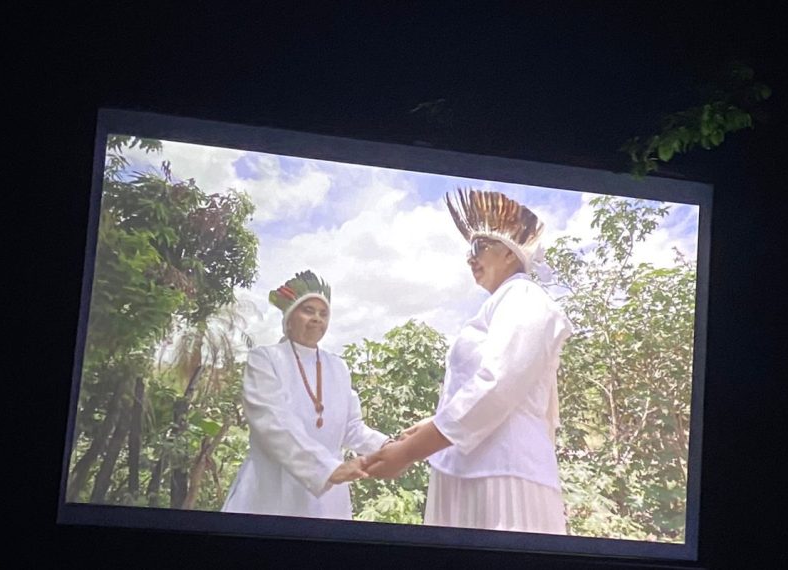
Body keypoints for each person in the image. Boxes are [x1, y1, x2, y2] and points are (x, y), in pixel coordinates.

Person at [365, 189, 573, 534]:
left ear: (509, 253)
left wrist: (409, 452)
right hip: (471, 468)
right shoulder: (499, 304)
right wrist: (435, 422)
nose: (470, 259)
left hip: (502, 472)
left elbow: (498, 385)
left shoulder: (524, 296)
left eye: (479, 248)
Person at [222, 270, 390, 519]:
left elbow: (351, 427)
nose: (317, 319)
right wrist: (326, 470)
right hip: (272, 490)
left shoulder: (338, 367)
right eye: (308, 311)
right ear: (289, 318)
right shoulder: (265, 359)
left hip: (329, 495)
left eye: (323, 314)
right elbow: (272, 424)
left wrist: (388, 446)